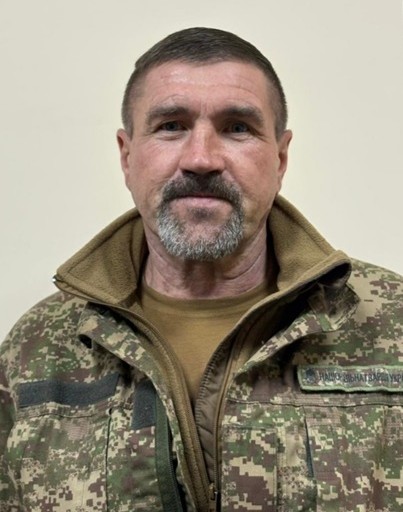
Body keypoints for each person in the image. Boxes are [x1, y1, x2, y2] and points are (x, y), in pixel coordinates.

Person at [1, 26, 403, 512]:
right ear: (127, 156)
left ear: (280, 158)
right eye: (171, 125)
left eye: (238, 127)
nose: (201, 159)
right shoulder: (35, 350)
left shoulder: (391, 322)